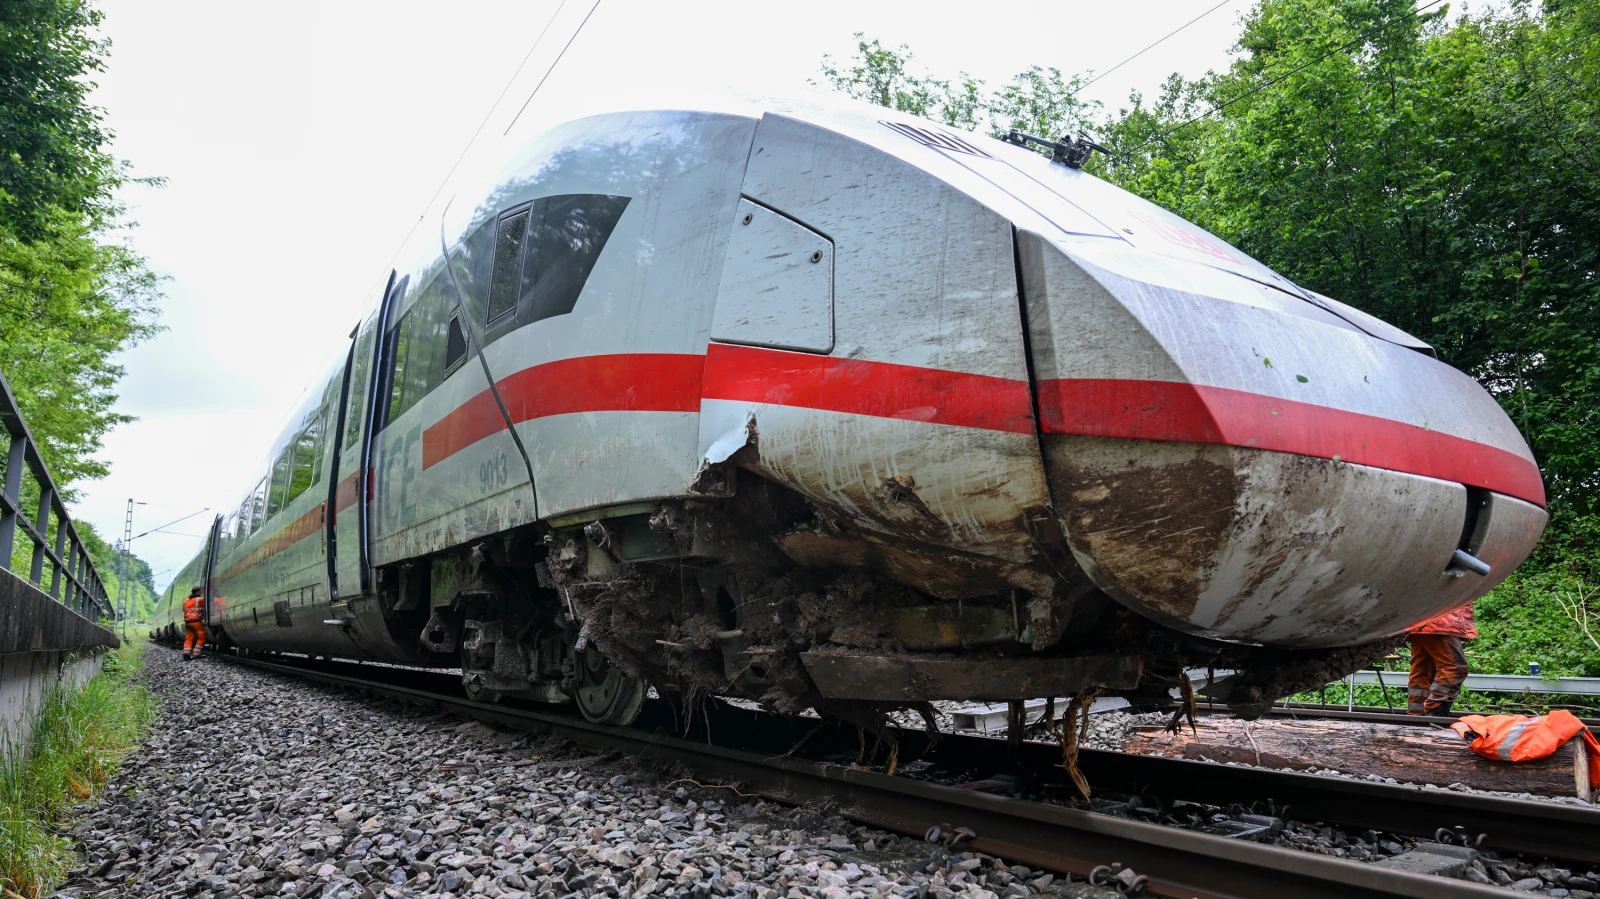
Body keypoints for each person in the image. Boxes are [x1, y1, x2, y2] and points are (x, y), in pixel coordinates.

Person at [1407, 601, 1475, 715]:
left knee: (1424, 669)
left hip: (1419, 620)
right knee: (1455, 668)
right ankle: (1434, 710)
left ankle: (1417, 714)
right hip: (1441, 620)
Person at [182, 586, 206, 660]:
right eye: (200, 592)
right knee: (202, 636)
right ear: (197, 592)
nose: (200, 593)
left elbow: (184, 610)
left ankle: (186, 654)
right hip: (196, 622)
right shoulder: (200, 600)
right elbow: (210, 601)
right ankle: (196, 653)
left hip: (187, 623)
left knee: (189, 638)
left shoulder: (185, 601)